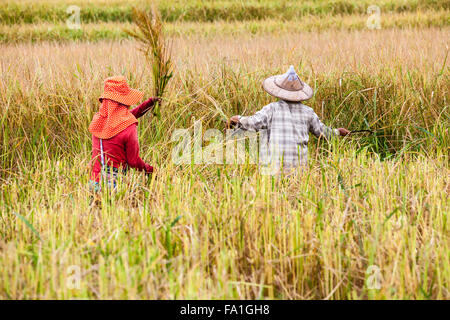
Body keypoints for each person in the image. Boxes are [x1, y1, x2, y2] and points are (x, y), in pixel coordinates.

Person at [229, 65, 350, 175]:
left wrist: (237, 120)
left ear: (279, 91)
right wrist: (338, 132)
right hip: (299, 171)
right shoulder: (308, 112)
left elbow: (253, 123)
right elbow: (322, 132)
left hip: (274, 169)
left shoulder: (271, 109)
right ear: (299, 93)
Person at [89, 76, 159, 190]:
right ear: (124, 101)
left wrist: (149, 103)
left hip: (93, 183)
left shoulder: (98, 120)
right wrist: (150, 170)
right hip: (114, 186)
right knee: (145, 194)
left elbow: (122, 118)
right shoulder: (128, 128)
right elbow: (133, 161)